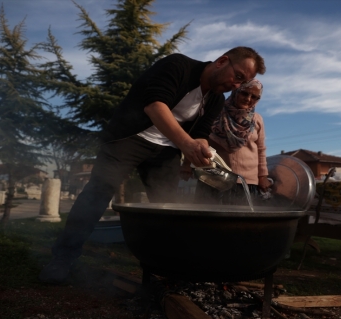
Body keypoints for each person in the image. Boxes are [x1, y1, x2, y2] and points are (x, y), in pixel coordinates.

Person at [39, 47, 266, 284]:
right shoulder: (179, 66)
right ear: (222, 61)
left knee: (168, 207)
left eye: (244, 82)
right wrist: (187, 144)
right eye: (238, 76)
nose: (237, 85)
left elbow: (200, 133)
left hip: (165, 150)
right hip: (128, 139)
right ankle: (63, 258)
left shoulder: (216, 99)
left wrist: (201, 152)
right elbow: (155, 106)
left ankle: (164, 267)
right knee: (99, 191)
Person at [181, 79, 270, 205]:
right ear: (236, 91)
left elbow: (261, 150)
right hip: (212, 178)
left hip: (246, 183)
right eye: (244, 93)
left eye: (254, 97)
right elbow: (198, 138)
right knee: (206, 220)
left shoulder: (257, 120)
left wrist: (263, 177)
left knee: (238, 223)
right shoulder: (215, 112)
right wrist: (187, 164)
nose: (248, 99)